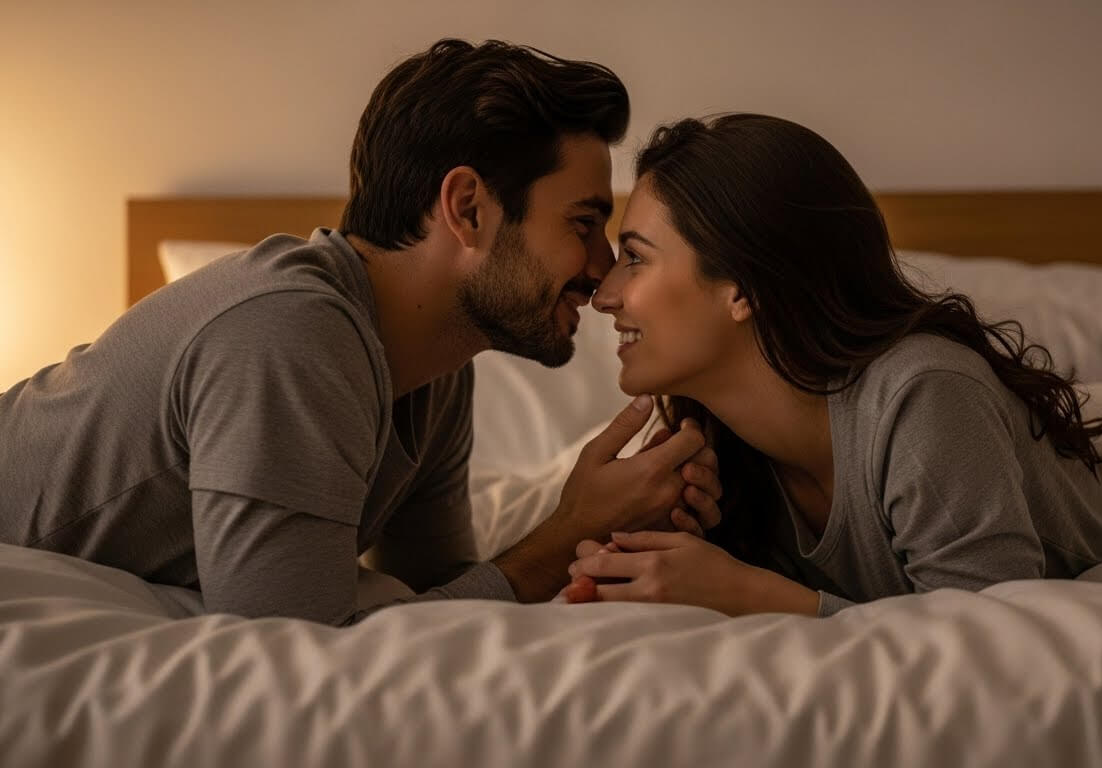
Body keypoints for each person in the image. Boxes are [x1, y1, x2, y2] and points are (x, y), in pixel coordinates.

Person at [564, 69, 1102, 615]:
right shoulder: (719, 447)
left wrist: (749, 593)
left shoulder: (924, 394)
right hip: (1080, 460)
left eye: (634, 258)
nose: (602, 292)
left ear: (744, 287)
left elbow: (986, 636)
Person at [0, 39, 725, 626]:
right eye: (583, 223)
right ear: (468, 208)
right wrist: (564, 530)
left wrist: (605, 541)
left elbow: (434, 598)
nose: (603, 273)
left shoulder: (438, 364)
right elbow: (290, 651)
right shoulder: (288, 333)